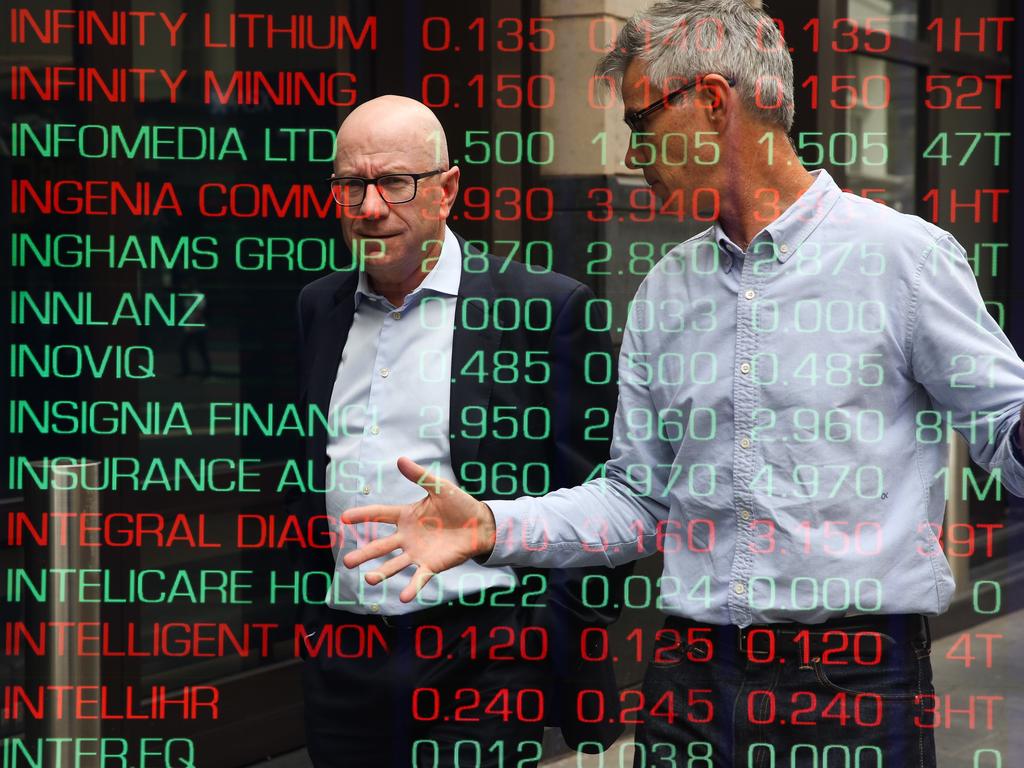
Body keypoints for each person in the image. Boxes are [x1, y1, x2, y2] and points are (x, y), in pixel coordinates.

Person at [338, 4, 1024, 767]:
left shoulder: (905, 260)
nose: (633, 154)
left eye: (640, 123)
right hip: (686, 684)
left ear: (713, 101)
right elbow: (637, 501)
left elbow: (1005, 428)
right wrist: (494, 528)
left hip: (854, 686)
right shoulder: (665, 288)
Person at [289, 95, 629, 768]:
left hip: (484, 659)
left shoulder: (543, 310)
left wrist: (545, 641)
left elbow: (610, 497)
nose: (370, 206)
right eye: (352, 184)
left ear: (446, 190)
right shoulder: (319, 307)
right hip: (344, 656)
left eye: (394, 182)